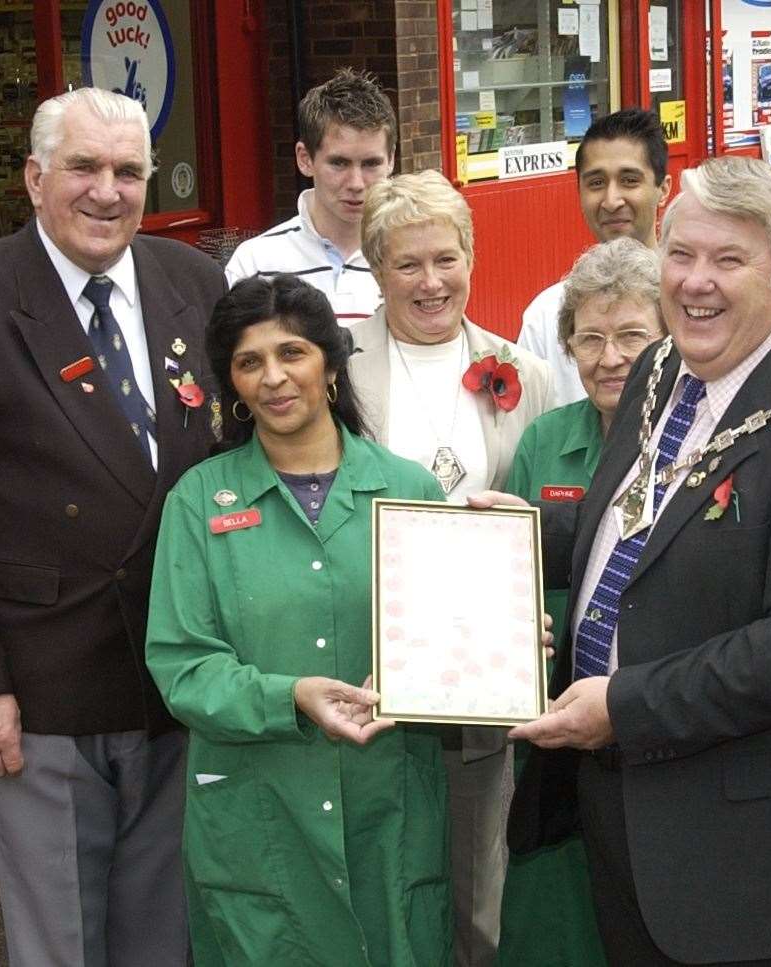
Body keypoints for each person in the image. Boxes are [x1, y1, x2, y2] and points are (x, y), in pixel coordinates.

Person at [487, 156, 771, 965]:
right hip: (622, 818)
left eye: (728, 259)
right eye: (680, 254)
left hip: (744, 858)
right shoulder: (658, 371)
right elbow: (642, 539)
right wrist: (522, 531)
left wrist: (624, 704)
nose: (694, 282)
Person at [0, 87, 225, 966]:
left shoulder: (194, 280)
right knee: (63, 940)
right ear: (36, 178)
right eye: (83, 167)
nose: (106, 191)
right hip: (40, 690)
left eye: (127, 171)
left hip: (179, 677)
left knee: (164, 933)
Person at [145, 273, 451, 965]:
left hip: (389, 809)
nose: (275, 378)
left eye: (293, 353)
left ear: (331, 365)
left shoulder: (408, 489)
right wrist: (290, 696)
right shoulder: (198, 501)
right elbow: (182, 664)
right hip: (259, 819)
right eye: (250, 362)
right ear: (232, 383)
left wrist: (501, 641)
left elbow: (450, 636)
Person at [347, 168, 552, 967]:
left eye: (447, 258)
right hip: (372, 653)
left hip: (480, 674)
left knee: (478, 875)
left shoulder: (522, 372)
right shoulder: (336, 367)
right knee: (379, 867)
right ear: (376, 270)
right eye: (407, 263)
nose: (431, 282)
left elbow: (537, 508)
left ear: (471, 255)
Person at [497, 236, 666, 966]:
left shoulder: (690, 445)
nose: (609, 356)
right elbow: (509, 574)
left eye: (632, 335)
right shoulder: (545, 440)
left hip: (649, 722)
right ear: (566, 345)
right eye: (590, 337)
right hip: (551, 725)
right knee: (552, 919)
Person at [515, 109, 672, 407]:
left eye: (629, 180)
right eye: (596, 183)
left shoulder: (688, 300)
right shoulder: (546, 314)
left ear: (663, 189)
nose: (611, 201)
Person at [224, 68, 394, 324]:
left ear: (391, 160)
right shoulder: (254, 262)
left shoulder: (413, 259)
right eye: (339, 163)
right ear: (305, 159)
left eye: (371, 164)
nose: (357, 183)